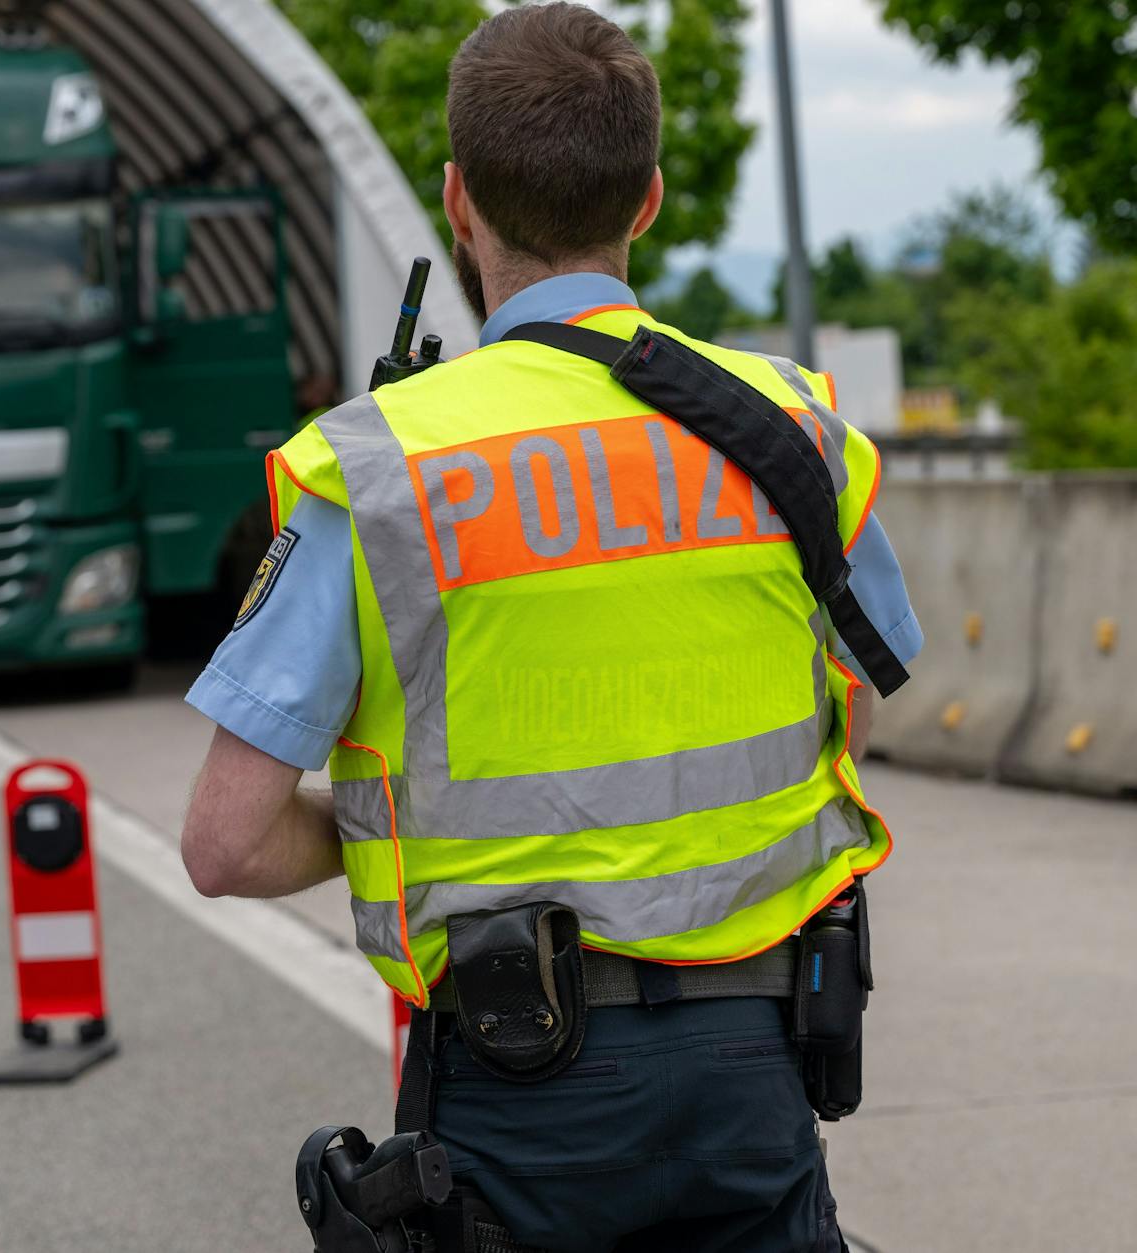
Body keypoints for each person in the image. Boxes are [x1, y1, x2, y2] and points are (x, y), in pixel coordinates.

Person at [179, 6, 923, 1251]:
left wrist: (403, 827)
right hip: (758, 1063)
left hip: (520, 1077)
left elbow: (224, 843)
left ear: (457, 201)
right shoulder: (792, 427)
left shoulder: (376, 472)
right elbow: (851, 685)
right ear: (648, 199)